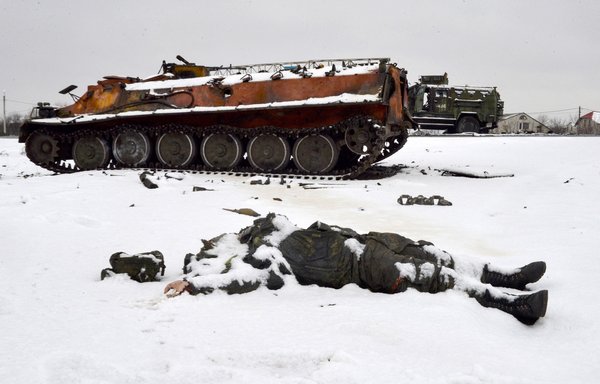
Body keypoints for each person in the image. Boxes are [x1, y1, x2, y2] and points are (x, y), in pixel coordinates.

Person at [164, 213, 548, 325]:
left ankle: (508, 276)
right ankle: (511, 304)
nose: (257, 224)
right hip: (360, 264)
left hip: (367, 239)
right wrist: (196, 285)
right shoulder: (265, 257)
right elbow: (244, 281)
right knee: (430, 275)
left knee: (436, 254)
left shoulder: (283, 228)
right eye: (254, 226)